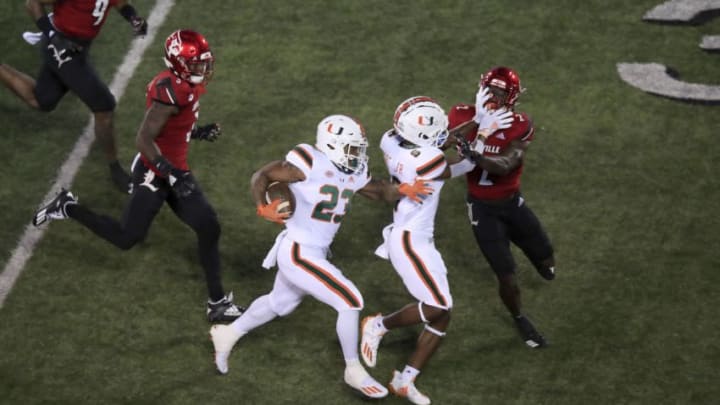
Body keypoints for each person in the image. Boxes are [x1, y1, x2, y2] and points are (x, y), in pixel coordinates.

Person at [209, 114, 432, 399]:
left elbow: (376, 191)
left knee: (280, 303)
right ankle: (353, 369)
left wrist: (401, 190)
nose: (358, 154)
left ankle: (227, 333)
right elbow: (262, 175)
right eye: (352, 147)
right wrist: (261, 205)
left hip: (315, 250)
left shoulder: (352, 169)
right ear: (333, 143)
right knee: (350, 300)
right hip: (298, 250)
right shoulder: (309, 160)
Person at [31, 29, 244, 323]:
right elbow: (144, 139)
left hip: (174, 169)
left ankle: (217, 302)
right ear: (178, 63)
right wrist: (171, 175)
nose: (204, 69)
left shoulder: (185, 86)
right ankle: (66, 206)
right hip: (154, 172)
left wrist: (197, 131)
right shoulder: (170, 93)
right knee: (126, 238)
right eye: (197, 64)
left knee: (209, 226)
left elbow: (174, 126)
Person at [447, 66, 556, 348]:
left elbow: (506, 164)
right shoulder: (460, 114)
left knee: (546, 260)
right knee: (506, 274)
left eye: (500, 92)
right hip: (482, 209)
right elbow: (438, 144)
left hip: (511, 202)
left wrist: (473, 153)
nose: (493, 96)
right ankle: (520, 318)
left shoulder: (520, 124)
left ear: (512, 97)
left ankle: (542, 262)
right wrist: (476, 122)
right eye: (490, 90)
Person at [0, 0, 148, 193]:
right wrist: (54, 37)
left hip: (77, 47)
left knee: (43, 99)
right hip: (62, 48)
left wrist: (133, 17)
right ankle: (115, 168)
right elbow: (32, 3)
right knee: (104, 107)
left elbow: (117, 2)